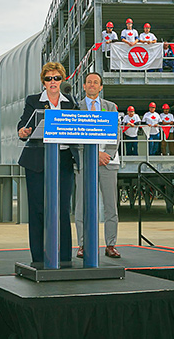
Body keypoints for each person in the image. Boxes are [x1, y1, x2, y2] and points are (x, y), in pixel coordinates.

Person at [17, 62, 77, 264]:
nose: (53, 82)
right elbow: (23, 125)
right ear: (43, 81)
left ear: (62, 80)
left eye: (57, 78)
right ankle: (39, 257)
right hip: (37, 161)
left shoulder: (70, 102)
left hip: (63, 161)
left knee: (63, 209)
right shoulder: (33, 100)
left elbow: (77, 128)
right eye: (49, 78)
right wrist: (23, 131)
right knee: (38, 209)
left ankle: (65, 257)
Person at [75, 72, 121, 259]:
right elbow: (73, 136)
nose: (92, 85)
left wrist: (106, 155)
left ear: (101, 87)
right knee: (82, 205)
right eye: (89, 82)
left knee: (111, 206)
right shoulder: (75, 109)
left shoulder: (110, 107)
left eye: (96, 82)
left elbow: (115, 135)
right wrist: (94, 155)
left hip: (108, 163)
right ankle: (83, 245)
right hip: (85, 163)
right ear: (84, 86)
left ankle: (111, 245)